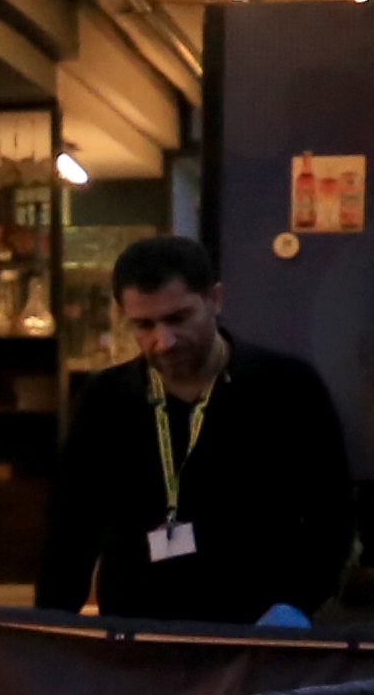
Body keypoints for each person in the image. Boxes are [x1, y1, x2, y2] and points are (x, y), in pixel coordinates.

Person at [33, 235, 352, 627]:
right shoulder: (106, 399)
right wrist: (48, 633)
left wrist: (297, 605)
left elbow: (331, 515)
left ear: (214, 299)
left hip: (254, 631)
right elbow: (71, 529)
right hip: (138, 632)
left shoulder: (285, 387)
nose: (163, 341)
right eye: (144, 325)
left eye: (178, 319)